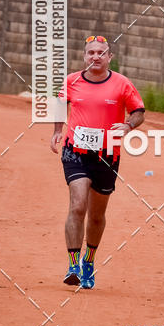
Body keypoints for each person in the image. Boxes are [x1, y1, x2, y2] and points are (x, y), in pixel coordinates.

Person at [50, 35, 145, 289]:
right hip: (75, 152)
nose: (96, 57)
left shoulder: (122, 84)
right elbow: (60, 104)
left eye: (101, 53)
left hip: (107, 155)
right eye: (91, 52)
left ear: (109, 57)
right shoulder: (72, 81)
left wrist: (127, 125)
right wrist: (58, 130)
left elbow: (139, 112)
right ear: (84, 56)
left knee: (96, 215)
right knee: (78, 204)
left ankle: (88, 262)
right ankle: (72, 266)